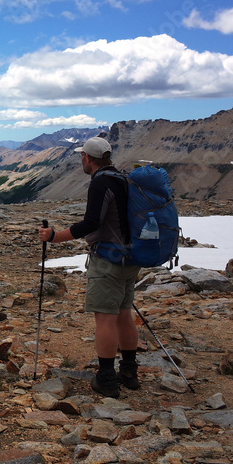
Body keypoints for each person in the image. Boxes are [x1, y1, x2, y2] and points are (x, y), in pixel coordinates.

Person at [37, 136, 139, 398]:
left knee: (105, 318)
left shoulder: (100, 182)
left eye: (82, 155)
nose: (81, 159)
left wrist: (54, 236)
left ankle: (106, 378)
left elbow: (92, 222)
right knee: (124, 314)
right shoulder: (121, 178)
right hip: (131, 258)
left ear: (88, 158)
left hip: (108, 259)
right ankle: (128, 371)